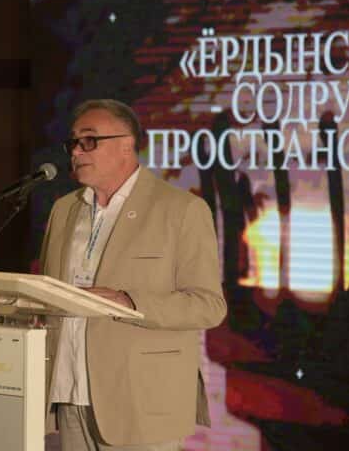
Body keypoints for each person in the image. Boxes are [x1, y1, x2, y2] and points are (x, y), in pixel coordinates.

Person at [39, 99, 227, 450]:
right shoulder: (63, 209)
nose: (76, 151)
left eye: (89, 140)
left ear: (127, 144)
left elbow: (208, 306)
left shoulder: (181, 209)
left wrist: (129, 301)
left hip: (141, 399)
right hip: (70, 391)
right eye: (73, 142)